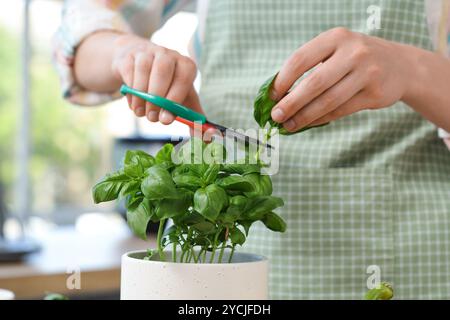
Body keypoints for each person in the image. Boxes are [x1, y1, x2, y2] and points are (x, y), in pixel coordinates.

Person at [53, 0, 450, 299]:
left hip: (410, 257)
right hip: (226, 238)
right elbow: (82, 26)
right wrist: (126, 53)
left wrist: (410, 68)